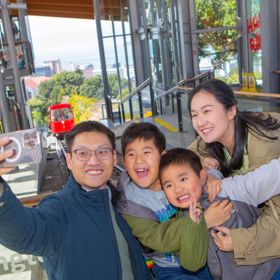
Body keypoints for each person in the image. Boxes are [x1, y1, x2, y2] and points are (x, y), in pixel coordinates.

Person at [0, 121, 152, 280]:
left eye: (102, 152)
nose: (94, 161)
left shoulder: (124, 201)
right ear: (69, 160)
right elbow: (24, 233)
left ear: (114, 158)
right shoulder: (59, 210)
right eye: (82, 153)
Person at [117, 122, 232, 280]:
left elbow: (200, 173)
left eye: (146, 152)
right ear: (124, 163)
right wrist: (203, 221)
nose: (138, 160)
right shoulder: (130, 204)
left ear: (163, 156)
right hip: (172, 269)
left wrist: (212, 176)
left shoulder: (177, 174)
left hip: (211, 254)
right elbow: (159, 238)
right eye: (131, 154)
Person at [187, 79, 280, 266]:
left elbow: (276, 212)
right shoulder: (210, 141)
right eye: (194, 114)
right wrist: (205, 167)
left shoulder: (263, 143)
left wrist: (240, 241)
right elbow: (184, 157)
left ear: (231, 111)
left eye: (207, 111)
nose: (200, 122)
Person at [159, 147, 280, 280]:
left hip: (270, 270)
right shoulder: (184, 218)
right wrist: (197, 225)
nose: (177, 190)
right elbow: (192, 264)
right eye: (169, 185)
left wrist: (213, 175)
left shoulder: (223, 192)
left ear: (202, 177)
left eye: (183, 179)